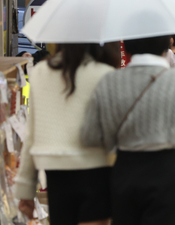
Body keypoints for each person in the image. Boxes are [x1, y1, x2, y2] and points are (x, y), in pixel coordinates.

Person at [81, 35, 175, 225]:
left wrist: (117, 140)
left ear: (127, 47)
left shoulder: (109, 81)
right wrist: (168, 135)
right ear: (166, 45)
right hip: (166, 170)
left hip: (124, 170)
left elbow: (89, 136)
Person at [15, 42, 120, 225]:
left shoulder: (41, 73)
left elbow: (31, 134)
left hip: (56, 174)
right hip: (97, 171)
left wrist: (26, 189)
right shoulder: (105, 74)